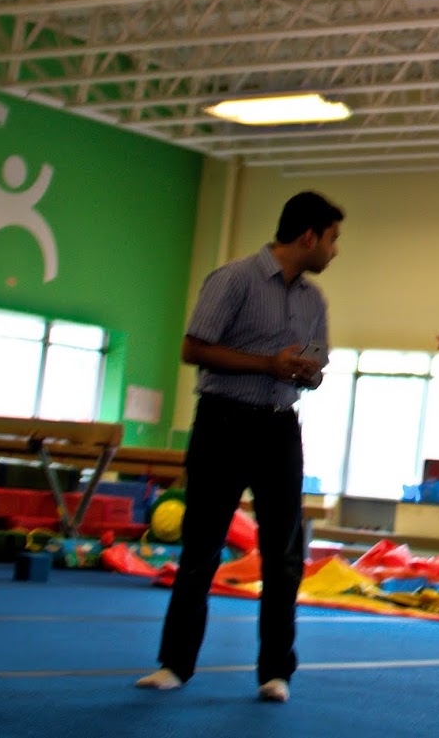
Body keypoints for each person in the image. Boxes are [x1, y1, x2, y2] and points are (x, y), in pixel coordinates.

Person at [137, 191, 343, 703]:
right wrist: (267, 364)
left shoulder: (314, 300)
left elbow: (314, 370)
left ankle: (276, 672)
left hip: (279, 428)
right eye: (334, 239)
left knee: (283, 556)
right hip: (223, 422)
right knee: (201, 549)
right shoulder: (234, 279)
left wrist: (306, 372)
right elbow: (194, 348)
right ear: (308, 236)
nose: (336, 251)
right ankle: (174, 664)